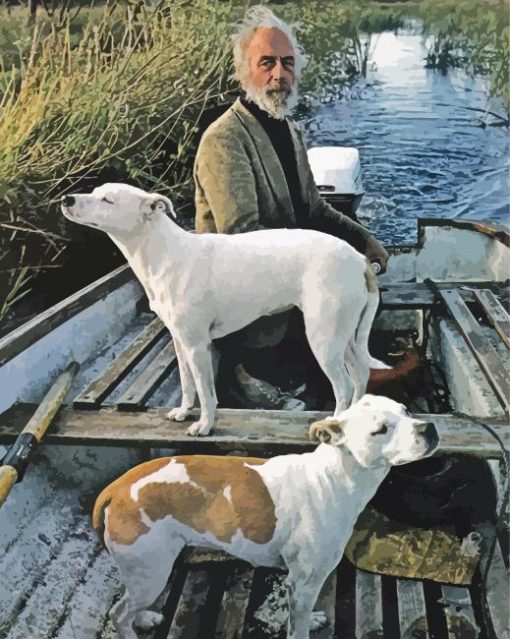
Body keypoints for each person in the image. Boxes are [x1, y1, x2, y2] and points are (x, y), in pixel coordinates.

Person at [193, 5, 389, 410]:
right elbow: (243, 239)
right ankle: (245, 379)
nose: (278, 74)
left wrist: (362, 239)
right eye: (266, 62)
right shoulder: (224, 140)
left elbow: (315, 211)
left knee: (364, 324)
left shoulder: (288, 130)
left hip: (294, 289)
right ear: (243, 70)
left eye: (286, 62)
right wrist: (326, 267)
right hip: (249, 317)